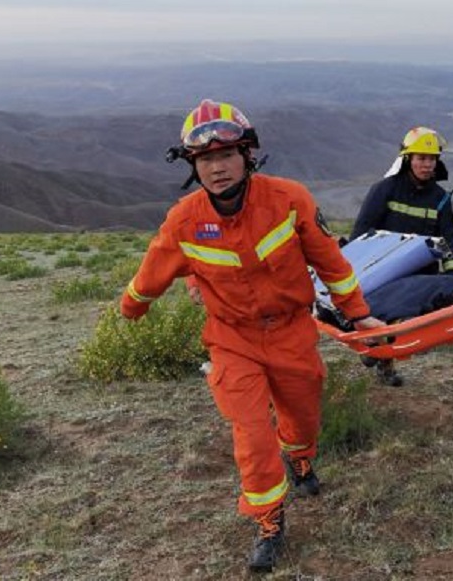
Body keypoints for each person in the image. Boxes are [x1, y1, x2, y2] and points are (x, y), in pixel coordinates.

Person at [120, 100, 384, 572]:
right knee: (251, 432)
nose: (216, 168)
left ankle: (300, 459)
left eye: (226, 156)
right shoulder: (184, 220)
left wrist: (359, 315)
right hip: (231, 340)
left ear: (247, 156)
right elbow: (152, 272)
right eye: (204, 160)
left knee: (301, 418)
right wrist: (132, 308)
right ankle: (268, 519)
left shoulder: (289, 199)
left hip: (291, 332)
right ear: (192, 166)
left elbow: (331, 263)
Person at [349, 126, 453, 386]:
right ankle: (374, 352)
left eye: (432, 159)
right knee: (379, 315)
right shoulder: (385, 189)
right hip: (383, 269)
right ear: (408, 159)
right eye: (421, 158)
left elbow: (449, 238)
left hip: (419, 272)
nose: (427, 164)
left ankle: (383, 361)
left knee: (400, 321)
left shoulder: (440, 198)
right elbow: (362, 231)